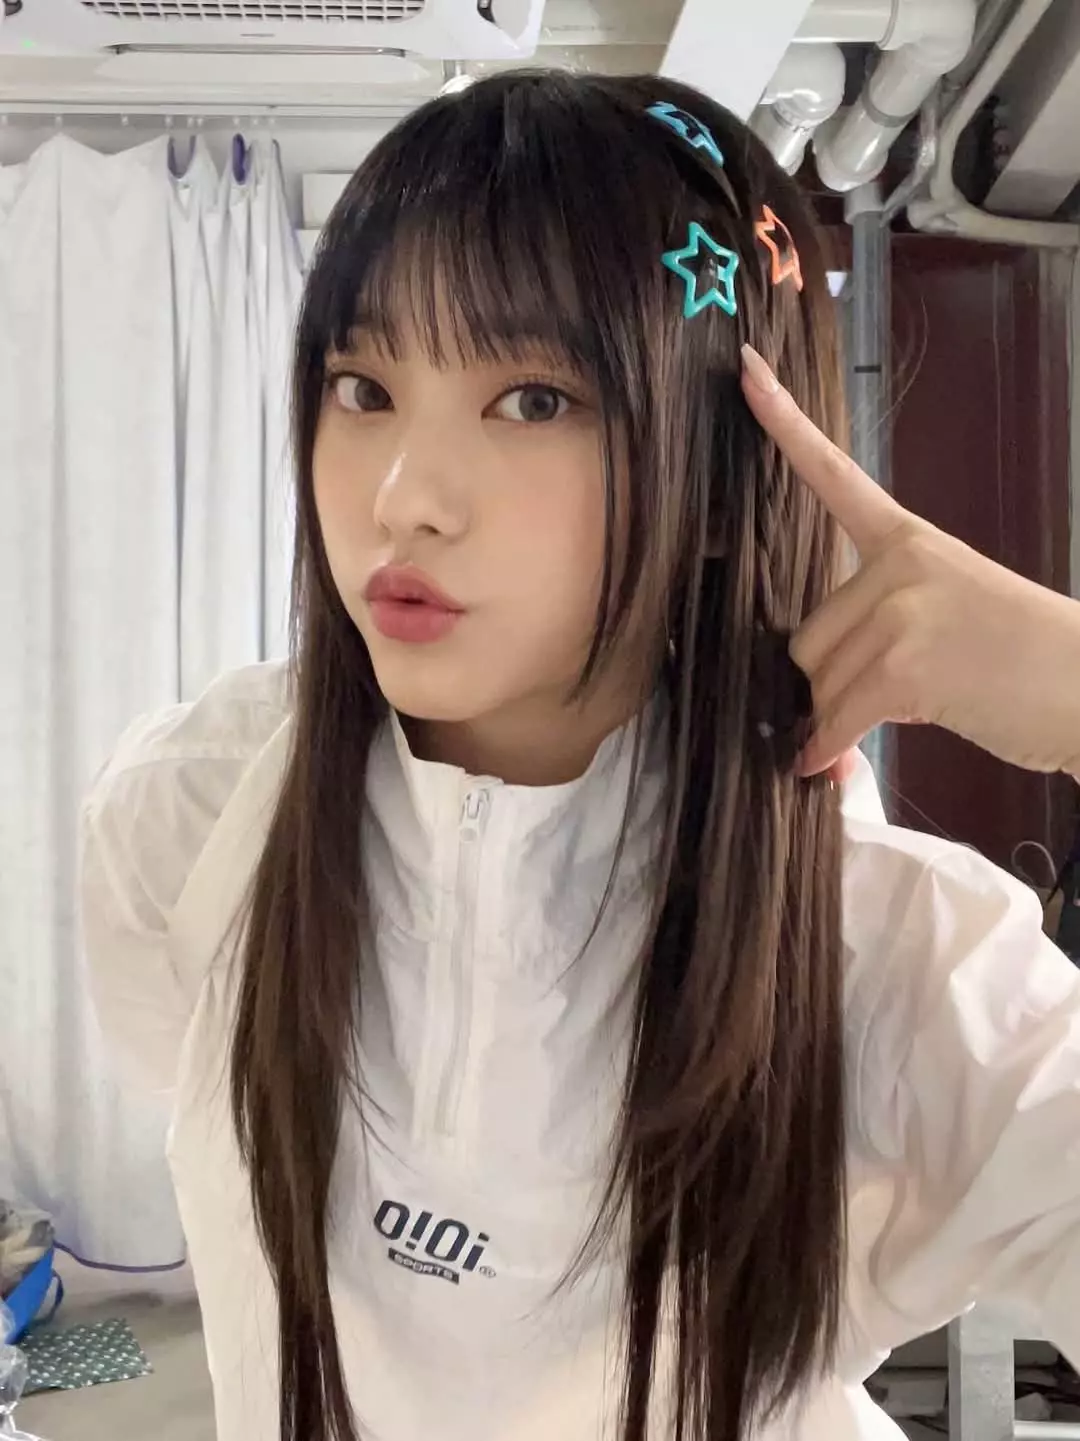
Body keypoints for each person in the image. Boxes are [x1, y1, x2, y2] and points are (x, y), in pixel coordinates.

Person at [78, 70, 1080, 1441]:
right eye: (363, 386)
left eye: (535, 400)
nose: (402, 500)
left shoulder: (897, 964)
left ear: (725, 471)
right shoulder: (189, 819)